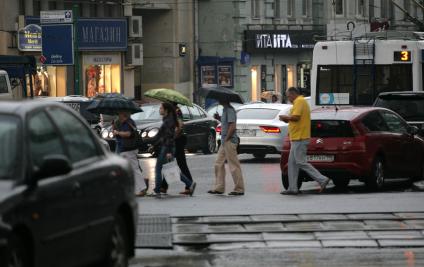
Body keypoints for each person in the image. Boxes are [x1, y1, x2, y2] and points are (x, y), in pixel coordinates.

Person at [279, 87, 330, 195]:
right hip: (296, 137)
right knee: (292, 164)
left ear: (293, 94)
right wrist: (287, 118)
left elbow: (296, 117)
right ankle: (292, 188)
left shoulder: (299, 102)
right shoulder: (299, 102)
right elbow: (297, 119)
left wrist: (285, 117)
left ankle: (322, 179)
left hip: (300, 138)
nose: (288, 99)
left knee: (300, 162)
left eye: (288, 96)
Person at [150, 102, 196, 197]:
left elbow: (168, 136)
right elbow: (161, 134)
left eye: (161, 108)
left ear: (166, 110)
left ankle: (158, 189)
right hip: (168, 146)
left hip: (167, 147)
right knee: (170, 169)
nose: (159, 110)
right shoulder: (168, 119)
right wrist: (154, 143)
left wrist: (163, 148)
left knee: (159, 167)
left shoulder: (169, 120)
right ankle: (189, 183)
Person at [208, 99, 245, 196]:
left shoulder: (230, 110)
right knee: (218, 163)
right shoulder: (225, 110)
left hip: (229, 140)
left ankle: (239, 188)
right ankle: (219, 187)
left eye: (219, 98)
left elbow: (232, 126)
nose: (218, 100)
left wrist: (226, 139)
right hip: (224, 141)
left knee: (233, 165)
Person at [112, 111, 144, 196]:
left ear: (123, 114)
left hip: (128, 149)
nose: (118, 115)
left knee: (134, 169)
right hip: (125, 149)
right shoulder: (123, 122)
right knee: (128, 169)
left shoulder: (128, 122)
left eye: (119, 113)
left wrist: (118, 133)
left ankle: (141, 189)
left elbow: (128, 134)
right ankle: (136, 188)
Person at [173, 104, 195, 195]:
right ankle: (163, 186)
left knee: (180, 163)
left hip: (178, 140)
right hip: (178, 139)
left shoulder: (176, 111)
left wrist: (173, 137)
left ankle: (189, 185)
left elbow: (179, 126)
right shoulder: (175, 111)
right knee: (170, 164)